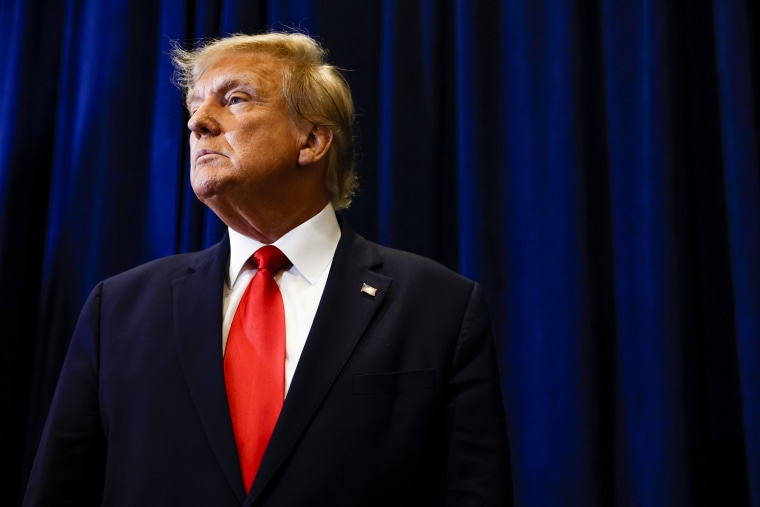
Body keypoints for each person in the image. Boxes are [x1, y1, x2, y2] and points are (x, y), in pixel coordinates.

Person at [22, 31, 512, 506]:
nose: (198, 124)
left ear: (313, 140)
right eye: (194, 108)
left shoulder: (439, 306)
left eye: (234, 99)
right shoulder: (119, 308)